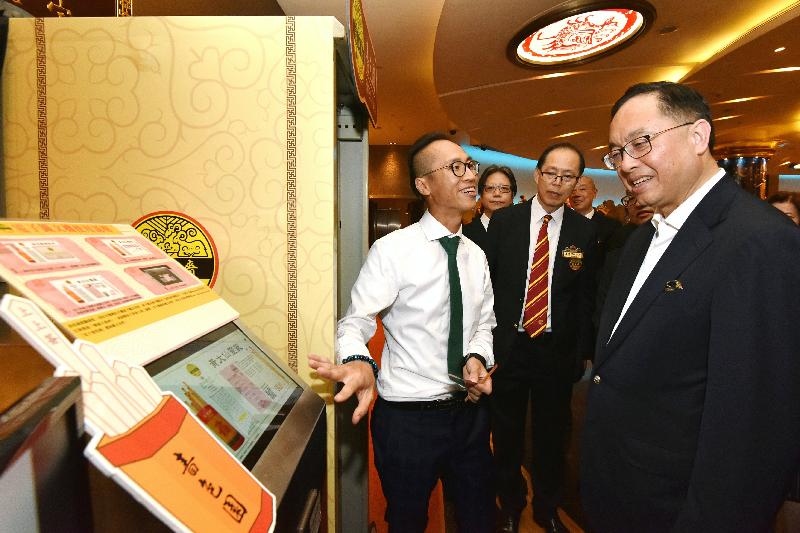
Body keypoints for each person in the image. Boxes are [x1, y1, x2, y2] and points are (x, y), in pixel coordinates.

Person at [581, 81, 800, 532]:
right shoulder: (642, 238)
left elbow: (753, 424)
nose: (625, 163)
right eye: (616, 152)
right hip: (622, 493)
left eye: (640, 142)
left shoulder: (759, 241)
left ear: (698, 137)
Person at [309, 132, 496, 533]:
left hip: (469, 416)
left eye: (471, 166)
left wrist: (479, 357)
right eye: (456, 167)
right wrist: (359, 362)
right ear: (424, 185)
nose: (470, 177)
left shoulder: (476, 255)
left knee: (479, 517)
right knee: (408, 521)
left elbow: (484, 323)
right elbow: (355, 321)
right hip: (408, 421)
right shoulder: (393, 250)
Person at [484, 142, 597, 533]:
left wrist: (582, 353)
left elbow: (585, 298)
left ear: (577, 183)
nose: (557, 182)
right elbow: (489, 288)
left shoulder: (585, 230)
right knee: (507, 434)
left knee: (552, 438)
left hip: (556, 352)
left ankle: (547, 508)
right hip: (509, 349)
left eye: (567, 176)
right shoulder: (506, 222)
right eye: (551, 173)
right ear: (537, 174)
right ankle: (511, 505)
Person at [463, 165, 517, 250]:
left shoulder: (523, 233)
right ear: (481, 194)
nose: (497, 194)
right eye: (490, 188)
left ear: (512, 196)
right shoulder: (464, 234)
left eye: (504, 188)